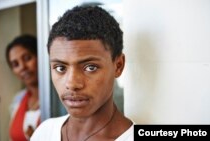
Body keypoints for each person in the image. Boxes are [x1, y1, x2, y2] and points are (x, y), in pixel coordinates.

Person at [31, 5, 134, 141]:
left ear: (118, 66)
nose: (72, 84)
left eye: (90, 67)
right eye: (61, 68)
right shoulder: (45, 132)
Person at [6, 34, 41, 141]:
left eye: (27, 58)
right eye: (15, 64)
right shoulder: (18, 99)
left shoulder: (57, 98)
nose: (22, 67)